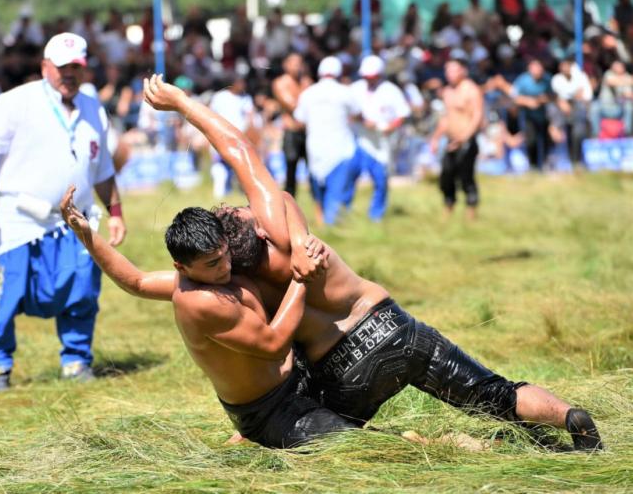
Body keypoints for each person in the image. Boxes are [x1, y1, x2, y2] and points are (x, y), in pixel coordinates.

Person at [139, 76, 603, 452]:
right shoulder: (282, 232)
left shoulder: (239, 286)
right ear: (257, 229)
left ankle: (442, 446)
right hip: (395, 327)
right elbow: (239, 148)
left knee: (311, 420)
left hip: (341, 370)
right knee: (495, 392)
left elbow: (159, 288)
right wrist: (182, 101)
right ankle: (567, 416)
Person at [59, 74, 356, 448]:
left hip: (296, 379)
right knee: (357, 445)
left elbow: (270, 186)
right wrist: (301, 278)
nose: (225, 267)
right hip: (268, 407)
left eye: (223, 255)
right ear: (182, 268)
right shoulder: (193, 295)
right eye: (212, 265)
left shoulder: (225, 260)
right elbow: (134, 282)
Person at [0, 32, 127, 391]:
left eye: (76, 67)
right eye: (61, 67)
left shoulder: (93, 108)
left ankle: (76, 360)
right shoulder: (15, 102)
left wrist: (115, 211)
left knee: (82, 291)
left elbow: (101, 169)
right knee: (8, 294)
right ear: (45, 67)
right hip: (21, 219)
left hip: (78, 219)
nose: (69, 74)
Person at [294, 56, 361, 225]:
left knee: (320, 193)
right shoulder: (345, 92)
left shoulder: (308, 93)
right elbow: (358, 113)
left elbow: (299, 119)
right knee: (337, 195)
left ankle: (324, 226)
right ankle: (333, 229)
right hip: (341, 148)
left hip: (315, 148)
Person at [348, 55, 411, 222]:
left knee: (381, 179)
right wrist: (361, 120)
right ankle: (343, 212)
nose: (369, 80)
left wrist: (390, 127)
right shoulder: (355, 89)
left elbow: (403, 114)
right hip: (359, 139)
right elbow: (348, 112)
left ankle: (376, 215)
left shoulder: (391, 90)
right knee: (349, 176)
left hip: (382, 142)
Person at [430, 58, 484, 221]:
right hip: (450, 141)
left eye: (453, 70)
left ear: (463, 71)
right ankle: (449, 205)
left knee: (466, 177)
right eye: (447, 70)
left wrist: (464, 137)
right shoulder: (447, 91)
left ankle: (471, 211)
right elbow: (446, 118)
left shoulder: (471, 90)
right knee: (446, 176)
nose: (449, 74)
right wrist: (435, 138)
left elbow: (477, 116)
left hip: (466, 141)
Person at [272, 53, 312, 197]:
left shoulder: (307, 81)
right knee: (291, 169)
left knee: (313, 169)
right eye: (294, 64)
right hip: (291, 131)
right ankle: (290, 205)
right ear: (286, 65)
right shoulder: (280, 83)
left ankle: (319, 207)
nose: (298, 67)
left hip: (307, 131)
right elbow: (292, 106)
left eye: (300, 63)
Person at [208, 75, 255, 198]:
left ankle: (241, 192)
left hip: (240, 138)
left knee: (240, 166)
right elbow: (211, 115)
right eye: (240, 82)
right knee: (219, 164)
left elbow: (250, 117)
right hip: (220, 135)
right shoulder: (219, 97)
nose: (243, 85)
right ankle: (219, 193)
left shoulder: (246, 98)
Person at [512, 59, 553, 170]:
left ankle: (545, 163)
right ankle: (533, 165)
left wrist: (540, 100)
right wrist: (528, 101)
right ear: (530, 68)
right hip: (528, 116)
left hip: (545, 116)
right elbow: (514, 97)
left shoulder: (547, 79)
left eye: (540, 68)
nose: (538, 70)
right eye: (535, 68)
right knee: (531, 140)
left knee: (547, 139)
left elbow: (553, 96)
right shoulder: (522, 80)